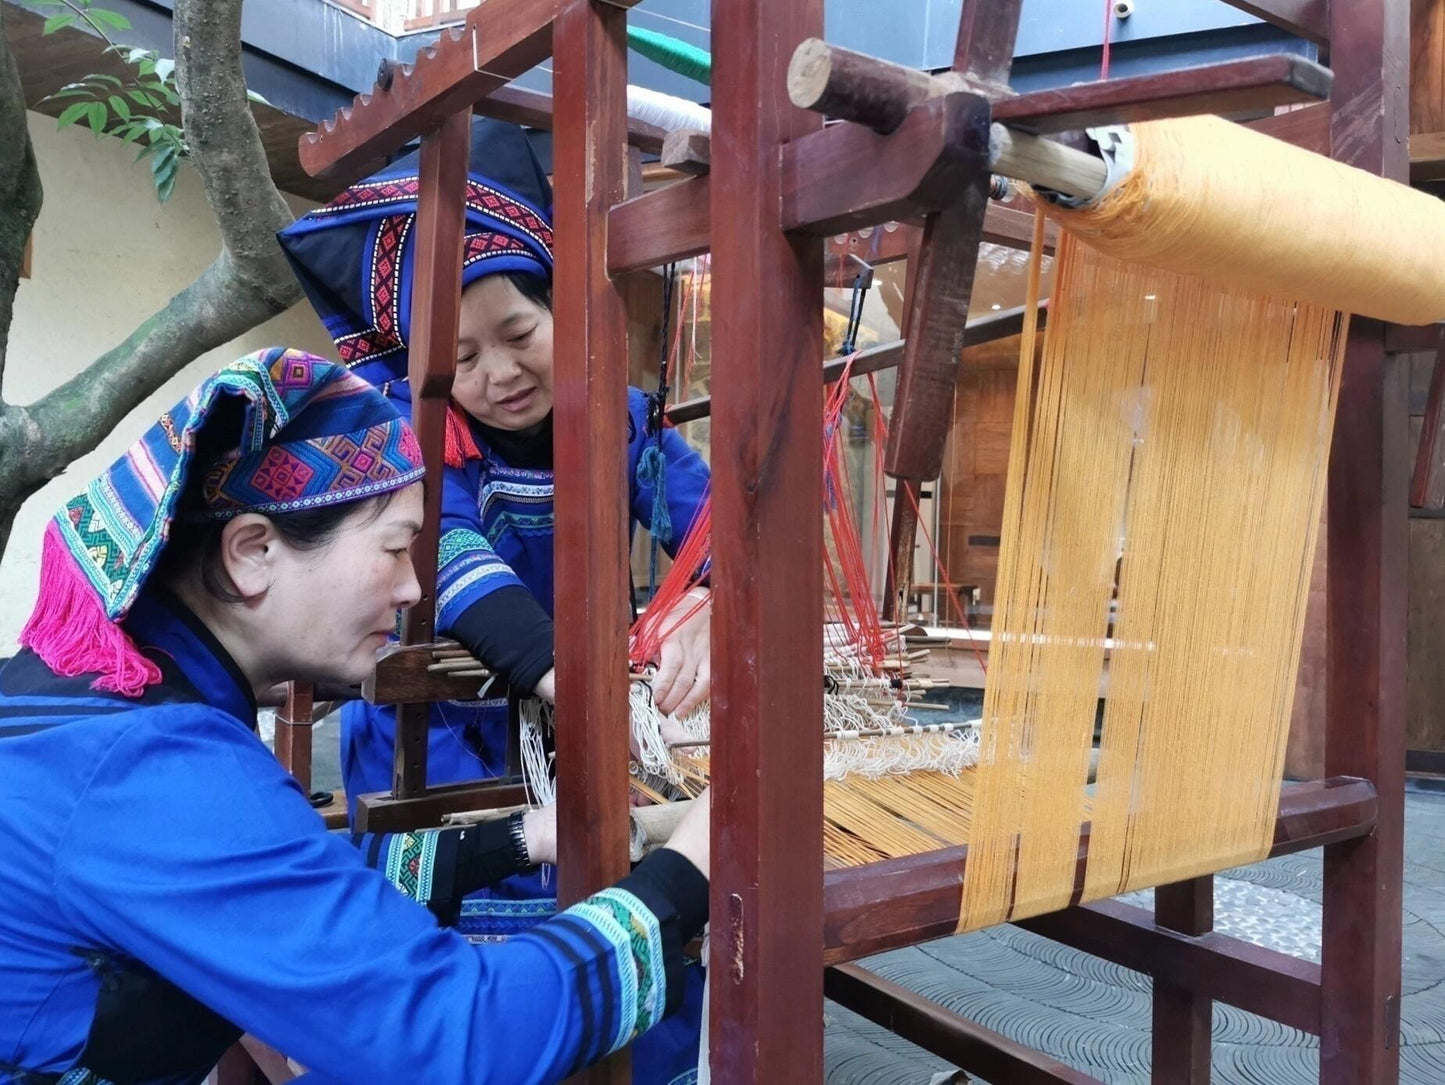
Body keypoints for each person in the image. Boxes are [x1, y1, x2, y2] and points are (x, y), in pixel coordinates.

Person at [0, 348, 710, 1085]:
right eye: (396, 548)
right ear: (253, 551)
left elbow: (301, 879)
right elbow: (459, 1031)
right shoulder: (151, 764)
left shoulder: (94, 701)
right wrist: (692, 866)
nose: (412, 589)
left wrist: (522, 836)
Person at [278, 121, 711, 943]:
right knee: (478, 949)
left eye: (519, 335)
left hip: (585, 705)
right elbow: (452, 559)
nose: (501, 374)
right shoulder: (415, 439)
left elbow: (715, 522)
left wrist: (708, 597)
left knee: (640, 921)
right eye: (462, 357)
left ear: (560, 307)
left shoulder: (619, 422)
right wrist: (579, 689)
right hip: (443, 731)